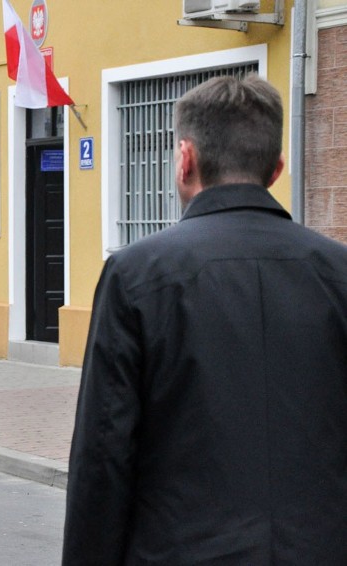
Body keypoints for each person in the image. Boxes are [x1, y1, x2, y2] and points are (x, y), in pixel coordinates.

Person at [62, 75, 347, 565]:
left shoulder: (136, 275)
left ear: (184, 158)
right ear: (276, 169)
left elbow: (104, 454)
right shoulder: (338, 272)